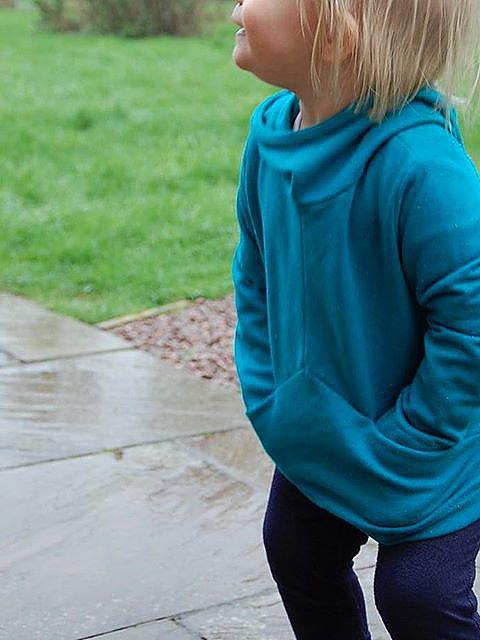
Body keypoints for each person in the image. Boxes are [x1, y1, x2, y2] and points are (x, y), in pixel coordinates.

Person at [230, 0, 480, 638]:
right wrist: (271, 390)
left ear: (336, 37)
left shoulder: (422, 166)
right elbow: (254, 275)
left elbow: (472, 324)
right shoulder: (272, 137)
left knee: (418, 595)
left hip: (439, 444)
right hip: (329, 429)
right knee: (297, 549)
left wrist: (412, 437)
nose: (238, 4)